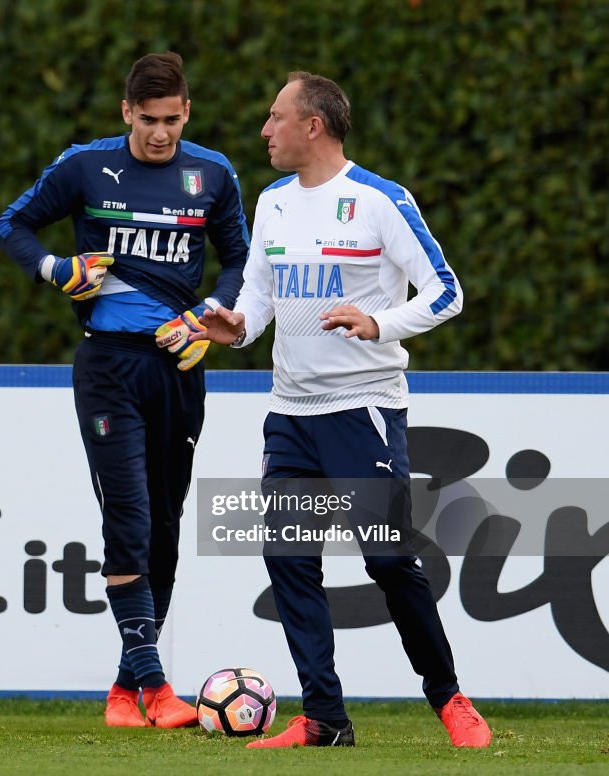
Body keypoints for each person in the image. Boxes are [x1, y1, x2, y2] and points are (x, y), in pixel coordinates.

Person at [194, 72, 491, 748]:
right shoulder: (270, 203)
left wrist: (379, 324)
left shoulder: (381, 201)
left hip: (364, 411)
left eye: (275, 117)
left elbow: (447, 292)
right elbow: (262, 300)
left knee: (388, 560)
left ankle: (449, 698)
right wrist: (236, 328)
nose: (265, 131)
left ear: (313, 126)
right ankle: (325, 718)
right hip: (290, 415)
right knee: (289, 557)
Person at [0, 52, 249, 728]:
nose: (160, 134)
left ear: (186, 111)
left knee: (163, 527)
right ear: (126, 112)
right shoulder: (86, 165)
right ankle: (159, 688)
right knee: (129, 521)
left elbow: (240, 264)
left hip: (181, 368)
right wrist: (55, 267)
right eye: (147, 120)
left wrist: (210, 313)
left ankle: (123, 690)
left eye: (171, 120)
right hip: (108, 366)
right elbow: (11, 225)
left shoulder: (214, 174)